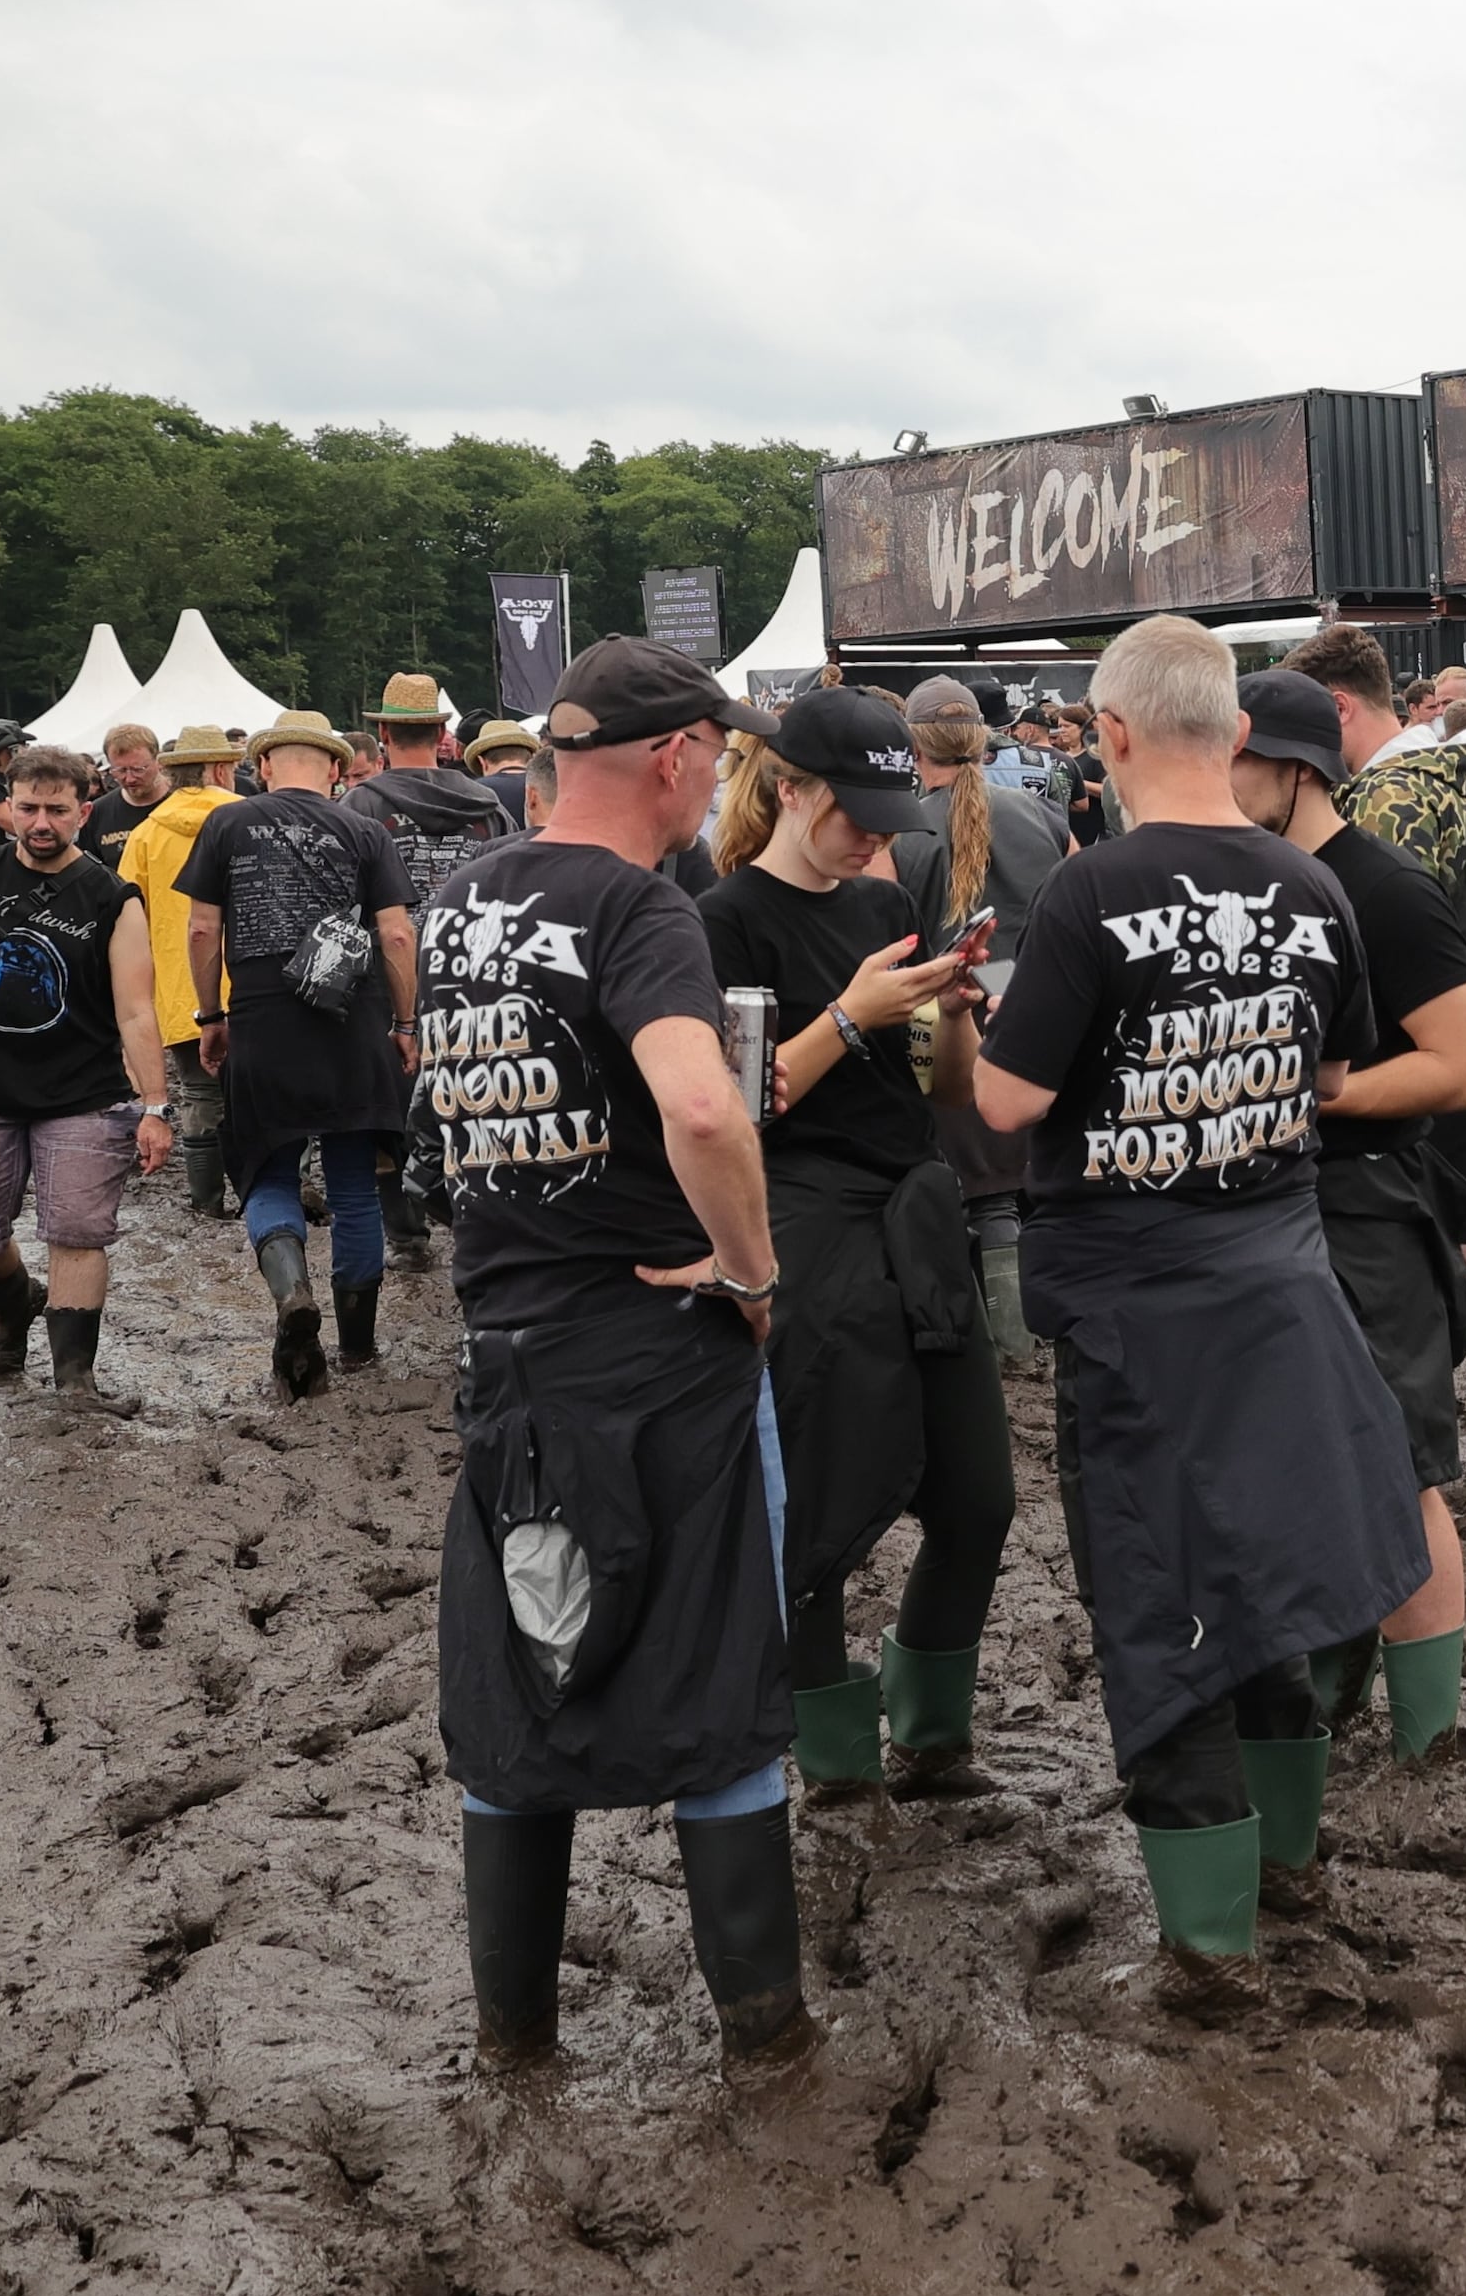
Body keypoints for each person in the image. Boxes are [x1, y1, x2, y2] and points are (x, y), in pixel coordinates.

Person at [970, 617, 1433, 2004]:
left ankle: (1211, 1946)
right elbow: (1338, 1078)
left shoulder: (1088, 889)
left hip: (1138, 1318)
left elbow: (1007, 1106)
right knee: (1272, 1591)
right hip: (1284, 1289)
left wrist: (947, 1031)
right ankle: (1292, 1866)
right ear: (1235, 734)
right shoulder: (1311, 884)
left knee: (1164, 1610)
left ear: (1107, 735)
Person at [423, 639, 806, 2066]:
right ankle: (765, 2040)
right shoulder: (643, 909)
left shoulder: (462, 904)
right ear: (674, 757)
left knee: (518, 1674)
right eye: (720, 752)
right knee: (715, 1682)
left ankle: (514, 2039)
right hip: (654, 1344)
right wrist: (754, 1272)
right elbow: (704, 1113)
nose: (723, 778)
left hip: (506, 1348)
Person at [700, 685, 1013, 1805]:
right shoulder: (725, 917)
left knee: (979, 1498)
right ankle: (834, 1769)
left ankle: (932, 1743)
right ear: (791, 788)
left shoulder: (884, 907)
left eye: (890, 813)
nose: (876, 835)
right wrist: (848, 1016)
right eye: (855, 813)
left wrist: (954, 1008)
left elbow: (949, 1089)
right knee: (821, 1506)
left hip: (917, 1209)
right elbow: (740, 1106)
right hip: (805, 1221)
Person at [1227, 669, 1466, 1800]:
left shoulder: (1378, 887)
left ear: (1291, 771)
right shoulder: (1251, 881)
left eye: (1231, 762)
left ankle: (1431, 1739)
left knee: (1406, 1472)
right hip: (1274, 1219)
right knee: (1309, 1469)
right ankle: (1338, 1692)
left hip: (1373, 1204)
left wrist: (1296, 1098)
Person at [1289, 627, 1466, 1478]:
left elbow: (1383, 945)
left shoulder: (1384, 802)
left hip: (1424, 1054)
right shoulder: (1442, 774)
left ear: (1337, 709)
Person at [0, 742, 173, 1409]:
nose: (40, 823)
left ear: (84, 810)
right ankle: (16, 1308)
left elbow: (137, 1011)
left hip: (82, 1091)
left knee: (76, 1230)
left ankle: (75, 1381)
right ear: (7, 807)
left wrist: (157, 1105)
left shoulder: (112, 895)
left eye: (56, 810)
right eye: (27, 808)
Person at [181, 708, 419, 1398]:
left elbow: (201, 930)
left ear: (262, 765)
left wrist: (210, 1014)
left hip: (262, 1021)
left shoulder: (227, 823)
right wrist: (406, 1022)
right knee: (352, 1185)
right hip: (356, 1022)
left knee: (267, 1172)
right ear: (338, 770)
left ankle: (292, 1295)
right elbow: (398, 937)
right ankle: (360, 1349)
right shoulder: (366, 831)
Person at [889, 676, 1075, 1362]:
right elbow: (1076, 901)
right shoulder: (1037, 814)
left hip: (951, 1022)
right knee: (1030, 1189)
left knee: (984, 1197)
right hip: (1037, 1011)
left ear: (914, 745)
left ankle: (1010, 1352)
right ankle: (1040, 1339)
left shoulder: (904, 831)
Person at [339, 674, 515, 1266]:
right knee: (478, 1105)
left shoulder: (359, 806)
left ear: (382, 732)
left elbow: (343, 906)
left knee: (392, 1110)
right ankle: (476, 1225)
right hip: (478, 977)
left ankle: (409, 1234)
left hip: (390, 982)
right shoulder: (487, 806)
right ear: (442, 734)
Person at [113, 725, 243, 1217]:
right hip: (252, 981)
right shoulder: (247, 819)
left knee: (198, 1093)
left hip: (181, 986)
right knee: (267, 1092)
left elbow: (126, 918)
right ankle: (278, 1194)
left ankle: (206, 1201)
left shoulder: (145, 834)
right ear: (221, 768)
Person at [83, 723, 170, 859]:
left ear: (159, 760)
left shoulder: (185, 801)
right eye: (120, 771)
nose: (130, 779)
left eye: (138, 769)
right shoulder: (98, 813)